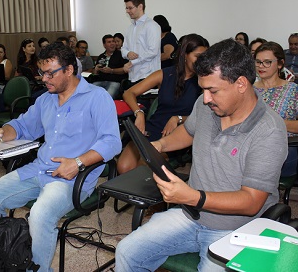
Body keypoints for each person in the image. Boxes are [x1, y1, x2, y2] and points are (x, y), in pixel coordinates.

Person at [115, 38, 287, 271]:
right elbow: (188, 132)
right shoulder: (208, 105)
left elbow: (251, 202)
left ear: (241, 84)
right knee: (127, 251)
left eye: (212, 90)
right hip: (191, 217)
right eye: (203, 89)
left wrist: (192, 196)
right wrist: (161, 145)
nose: (205, 98)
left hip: (236, 230)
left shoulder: (269, 130)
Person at [0, 42, 121, 271]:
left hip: (73, 177)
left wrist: (77, 162)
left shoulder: (96, 97)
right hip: (38, 169)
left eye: (49, 73)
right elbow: (22, 126)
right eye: (41, 73)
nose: (44, 79)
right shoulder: (46, 99)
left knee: (40, 215)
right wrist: (3, 132)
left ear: (69, 70)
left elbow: (113, 142)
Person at [116, 34, 208, 174]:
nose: (202, 61)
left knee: (142, 168)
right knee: (123, 167)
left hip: (177, 134)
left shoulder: (204, 81)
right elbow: (129, 93)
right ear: (185, 55)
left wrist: (179, 118)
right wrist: (139, 113)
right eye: (198, 56)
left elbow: (205, 116)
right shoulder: (165, 74)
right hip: (153, 128)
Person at [254, 41, 298, 176]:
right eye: (258, 62)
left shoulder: (292, 90)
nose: (261, 66)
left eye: (267, 62)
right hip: (252, 146)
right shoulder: (249, 89)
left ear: (280, 64)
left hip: (283, 147)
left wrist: (275, 122)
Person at [121, 0, 161, 84]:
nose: (127, 11)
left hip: (148, 75)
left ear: (140, 6)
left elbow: (152, 51)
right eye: (126, 8)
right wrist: (128, 54)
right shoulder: (130, 27)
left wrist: (133, 62)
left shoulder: (151, 25)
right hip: (132, 74)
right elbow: (123, 48)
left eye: (130, 8)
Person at [92, 34, 128, 98]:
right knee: (90, 93)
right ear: (104, 45)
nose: (112, 44)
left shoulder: (121, 54)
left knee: (107, 97)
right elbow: (95, 73)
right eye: (109, 42)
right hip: (100, 81)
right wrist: (96, 69)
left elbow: (125, 70)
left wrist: (111, 71)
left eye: (113, 41)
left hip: (115, 82)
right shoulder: (101, 56)